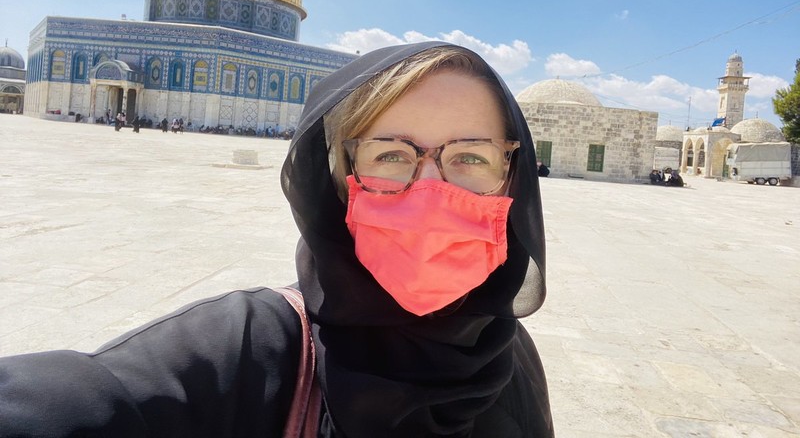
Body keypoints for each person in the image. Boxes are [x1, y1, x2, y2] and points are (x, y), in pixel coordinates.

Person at [0, 43, 553, 437]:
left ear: (513, 177)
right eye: (390, 155)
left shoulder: (508, 353)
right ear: (337, 179)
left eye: (471, 157)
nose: (431, 192)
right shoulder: (248, 352)